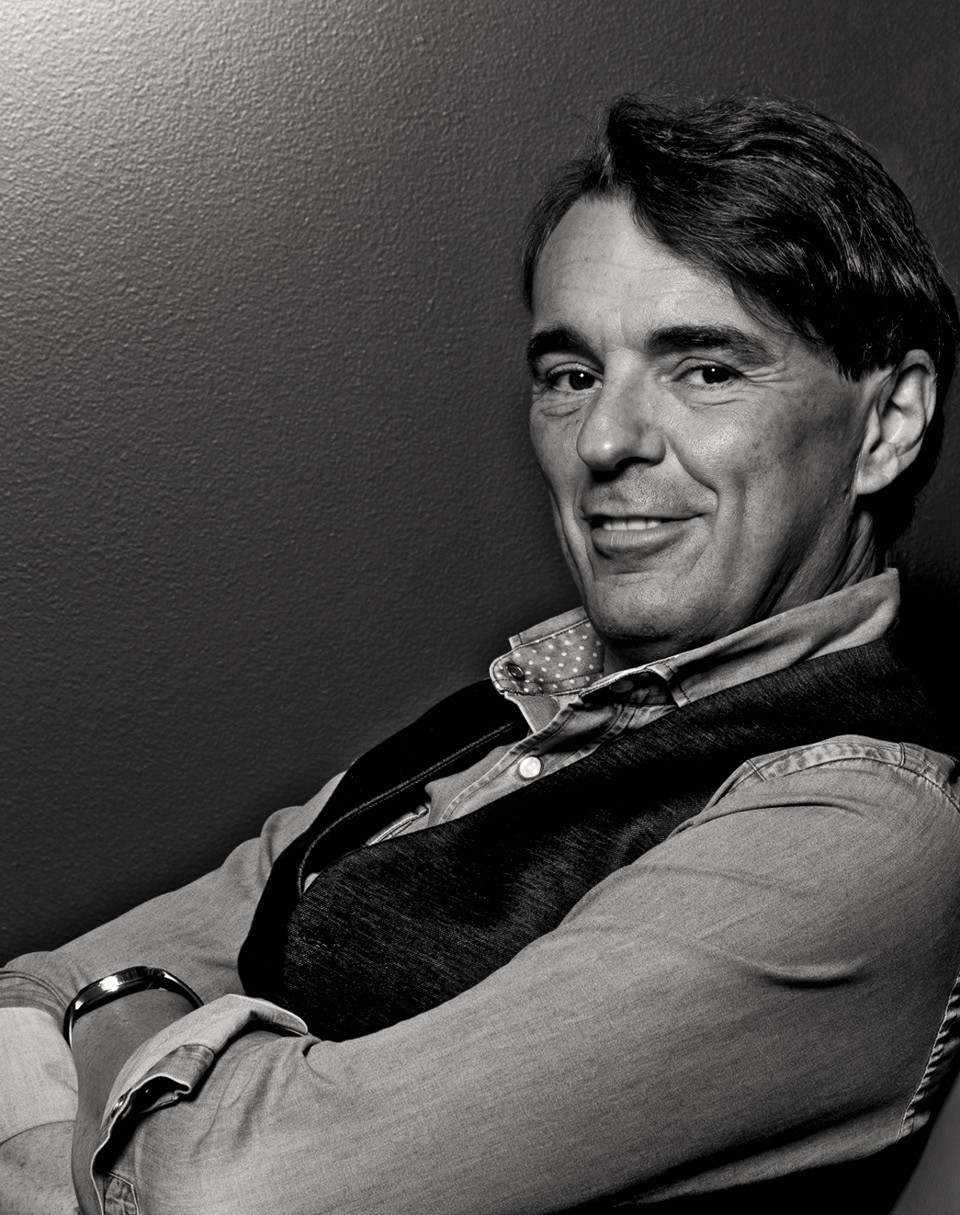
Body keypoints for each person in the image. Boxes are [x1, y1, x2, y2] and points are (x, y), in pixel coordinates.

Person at [2, 92, 960, 1215]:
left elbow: (224, 1192)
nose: (605, 440)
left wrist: (116, 1026)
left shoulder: (859, 824)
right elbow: (35, 986)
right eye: (571, 375)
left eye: (706, 368)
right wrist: (159, 1076)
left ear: (888, 424)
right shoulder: (517, 710)